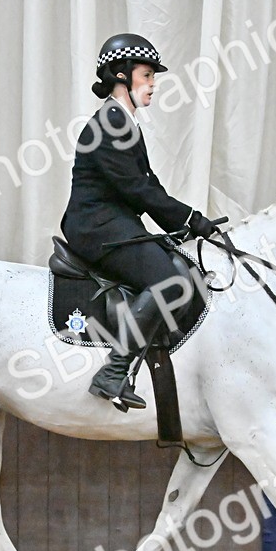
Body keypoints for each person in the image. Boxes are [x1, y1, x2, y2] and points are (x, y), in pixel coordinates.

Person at [60, 33, 219, 411]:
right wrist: (191, 218)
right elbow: (136, 191)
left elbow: (150, 186)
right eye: (147, 76)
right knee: (170, 282)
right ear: (121, 74)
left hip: (114, 223)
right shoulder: (111, 122)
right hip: (97, 227)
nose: (153, 85)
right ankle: (113, 372)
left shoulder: (123, 120)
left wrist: (182, 223)